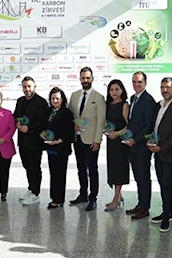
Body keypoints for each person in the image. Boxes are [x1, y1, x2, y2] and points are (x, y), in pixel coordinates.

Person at [148, 77, 172, 232]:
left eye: (168, 87)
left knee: (167, 184)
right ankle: (166, 211)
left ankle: (167, 216)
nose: (165, 90)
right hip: (158, 152)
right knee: (162, 183)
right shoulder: (159, 105)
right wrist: (151, 141)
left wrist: (162, 148)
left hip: (170, 153)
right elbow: (156, 127)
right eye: (162, 87)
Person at [68, 67, 106, 211]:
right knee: (81, 168)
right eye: (83, 78)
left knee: (92, 169)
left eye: (88, 78)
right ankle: (83, 194)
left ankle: (93, 198)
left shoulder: (99, 97)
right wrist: (73, 125)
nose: (85, 80)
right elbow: (69, 115)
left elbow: (101, 121)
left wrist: (97, 140)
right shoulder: (74, 95)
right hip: (77, 139)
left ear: (92, 79)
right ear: (80, 79)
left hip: (91, 141)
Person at [124, 71, 156, 220]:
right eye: (134, 82)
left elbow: (148, 126)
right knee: (137, 177)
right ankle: (140, 203)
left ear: (145, 83)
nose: (136, 84)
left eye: (139, 82)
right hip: (132, 146)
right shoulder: (133, 98)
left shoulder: (148, 100)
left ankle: (145, 208)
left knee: (143, 177)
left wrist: (135, 140)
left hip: (142, 146)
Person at [13, 76, 49, 206]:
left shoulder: (41, 102)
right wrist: (17, 123)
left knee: (35, 167)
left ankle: (36, 194)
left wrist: (29, 128)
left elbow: (43, 121)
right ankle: (30, 188)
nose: (27, 89)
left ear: (34, 87)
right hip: (22, 140)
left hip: (35, 141)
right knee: (27, 165)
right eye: (24, 87)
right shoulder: (20, 101)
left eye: (29, 86)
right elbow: (15, 115)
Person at [42, 87, 74, 209]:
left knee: (59, 175)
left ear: (62, 99)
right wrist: (42, 134)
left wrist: (58, 141)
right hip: (50, 148)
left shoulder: (66, 113)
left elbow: (69, 132)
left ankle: (58, 199)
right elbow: (43, 125)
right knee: (53, 174)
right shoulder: (48, 111)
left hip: (61, 148)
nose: (55, 100)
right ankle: (54, 198)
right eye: (53, 98)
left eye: (57, 98)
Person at [103, 79, 130, 211]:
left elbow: (128, 125)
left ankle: (116, 199)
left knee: (119, 170)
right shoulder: (108, 104)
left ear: (122, 90)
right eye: (111, 89)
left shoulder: (124, 105)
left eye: (117, 89)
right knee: (113, 168)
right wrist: (106, 129)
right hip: (111, 141)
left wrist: (117, 133)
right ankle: (118, 195)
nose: (114, 92)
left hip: (120, 142)